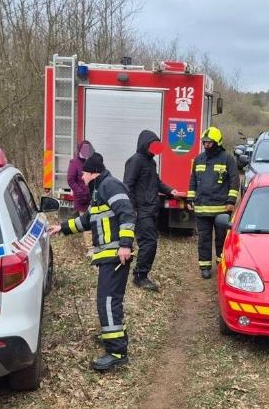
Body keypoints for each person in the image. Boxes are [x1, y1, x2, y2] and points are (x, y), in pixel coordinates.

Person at [48, 153, 136, 371]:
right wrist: (63, 227)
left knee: (107, 301)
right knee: (110, 299)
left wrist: (125, 244)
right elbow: (88, 220)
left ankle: (116, 352)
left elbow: (127, 213)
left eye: (84, 174)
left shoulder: (110, 186)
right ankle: (116, 338)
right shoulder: (99, 189)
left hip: (116, 254)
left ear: (93, 172)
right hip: (109, 255)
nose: (82, 178)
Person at [123, 130, 180, 291]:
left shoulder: (150, 162)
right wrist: (132, 209)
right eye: (153, 145)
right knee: (149, 243)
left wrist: (171, 190)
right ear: (145, 144)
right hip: (141, 211)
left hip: (151, 209)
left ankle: (141, 274)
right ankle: (140, 276)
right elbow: (128, 186)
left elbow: (156, 181)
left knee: (150, 243)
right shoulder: (135, 161)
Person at [186, 126, 239, 279]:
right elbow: (193, 181)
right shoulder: (198, 159)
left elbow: (234, 181)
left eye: (209, 142)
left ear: (217, 142)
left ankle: (221, 264)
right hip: (202, 208)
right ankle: (205, 267)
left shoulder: (227, 159)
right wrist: (190, 198)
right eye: (204, 142)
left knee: (221, 238)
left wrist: (231, 201)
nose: (206, 145)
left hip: (221, 208)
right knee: (204, 239)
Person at [68, 140, 95, 252]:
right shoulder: (74, 163)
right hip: (82, 199)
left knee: (95, 221)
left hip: (93, 198)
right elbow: (70, 180)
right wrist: (80, 193)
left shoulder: (92, 161)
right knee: (86, 223)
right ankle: (90, 248)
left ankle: (96, 244)